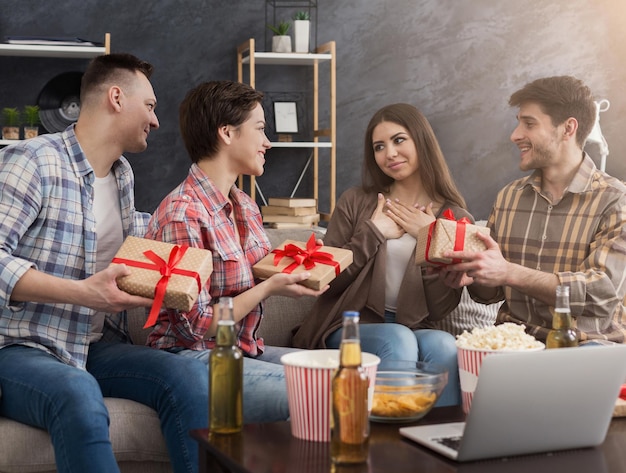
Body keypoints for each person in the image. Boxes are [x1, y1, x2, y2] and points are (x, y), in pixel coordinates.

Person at [0, 53, 209, 473]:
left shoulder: (123, 175)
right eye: (149, 106)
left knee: (186, 379)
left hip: (94, 346)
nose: (156, 120)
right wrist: (82, 292)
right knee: (76, 392)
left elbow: (140, 243)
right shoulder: (33, 161)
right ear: (116, 97)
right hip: (20, 347)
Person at [144, 80, 327, 422]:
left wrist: (303, 271)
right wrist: (269, 287)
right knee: (316, 393)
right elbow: (194, 327)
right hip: (191, 358)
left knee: (345, 376)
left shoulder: (244, 205)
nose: (267, 142)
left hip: (244, 351)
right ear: (226, 133)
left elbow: (263, 271)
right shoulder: (182, 214)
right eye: (259, 129)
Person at [292, 103, 474, 406]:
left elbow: (439, 309)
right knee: (396, 338)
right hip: (346, 326)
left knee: (444, 344)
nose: (389, 153)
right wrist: (374, 232)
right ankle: (386, 450)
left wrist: (429, 239)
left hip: (414, 326)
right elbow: (327, 281)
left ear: (421, 140)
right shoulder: (356, 201)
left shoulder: (453, 216)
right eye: (379, 146)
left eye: (399, 140)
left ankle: (441, 443)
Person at [438, 75, 626, 344]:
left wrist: (508, 271)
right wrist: (472, 272)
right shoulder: (509, 198)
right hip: (516, 345)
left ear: (568, 129)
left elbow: (599, 294)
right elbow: (490, 294)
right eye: (518, 124)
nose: (515, 136)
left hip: (586, 347)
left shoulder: (616, 200)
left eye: (529, 124)